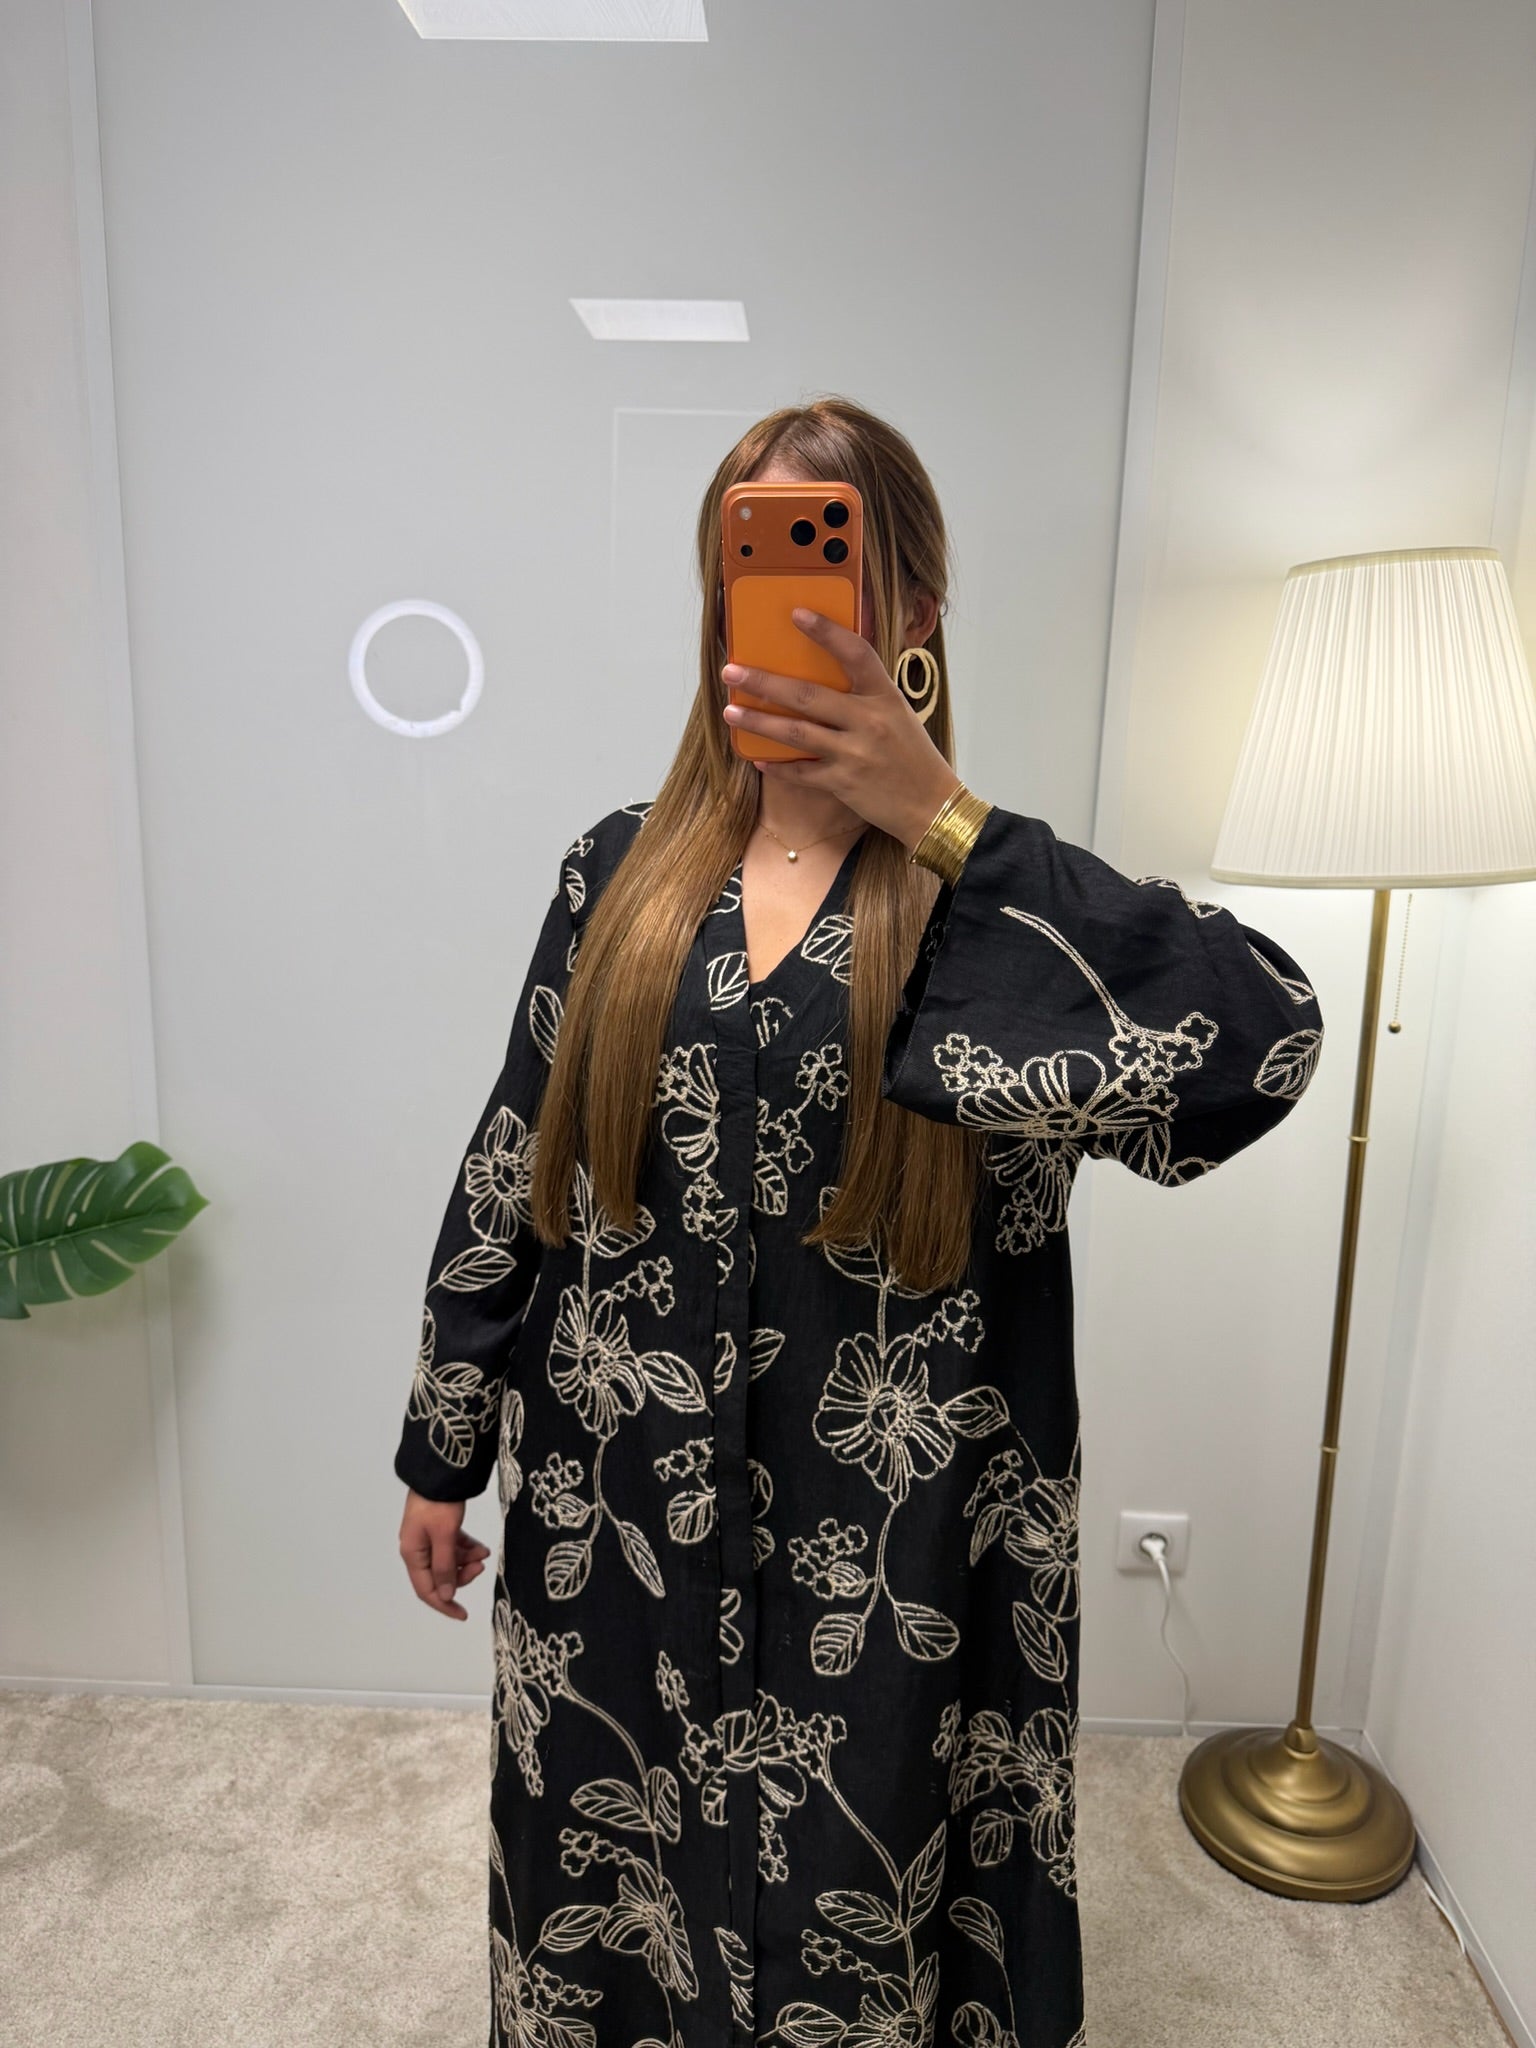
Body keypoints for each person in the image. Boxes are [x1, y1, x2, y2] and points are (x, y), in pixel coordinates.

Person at [394, 395, 1325, 2048]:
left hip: (898, 1551)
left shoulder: (996, 918)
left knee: (860, 1906)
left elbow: (1261, 1039)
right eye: (748, 567)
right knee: (615, 1886)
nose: (781, 606)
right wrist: (442, 1442)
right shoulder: (615, 877)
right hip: (623, 1514)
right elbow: (514, 1164)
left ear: (915, 607)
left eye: (824, 564)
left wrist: (945, 819)